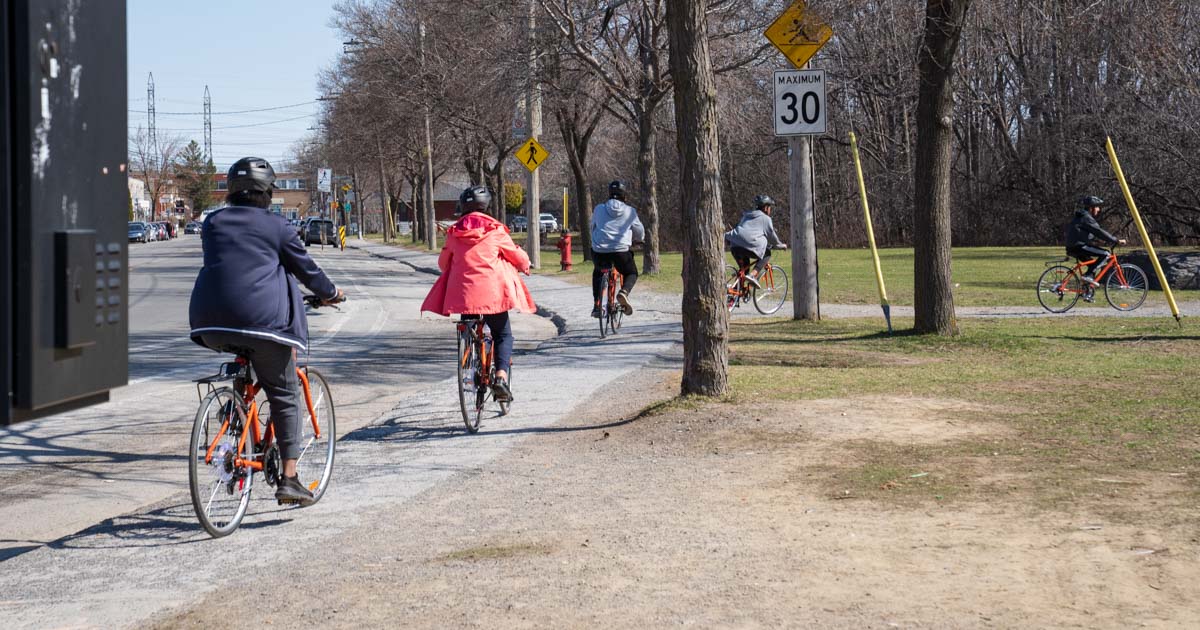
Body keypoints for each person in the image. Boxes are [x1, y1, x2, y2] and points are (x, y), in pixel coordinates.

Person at [189, 157, 344, 507]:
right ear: (267, 192)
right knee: (285, 393)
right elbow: (306, 270)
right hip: (262, 323)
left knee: (246, 357)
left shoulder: (212, 223)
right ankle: (290, 479)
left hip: (210, 322)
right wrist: (331, 292)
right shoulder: (278, 227)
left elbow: (238, 265)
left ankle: (237, 416)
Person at [421, 186, 535, 402]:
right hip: (492, 296)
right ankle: (500, 377)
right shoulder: (495, 231)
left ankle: (470, 363)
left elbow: (443, 264)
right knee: (503, 334)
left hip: (464, 297)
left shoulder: (454, 233)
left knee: (471, 326)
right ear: (486, 205)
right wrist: (526, 264)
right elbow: (516, 256)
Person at [591, 180, 645, 318]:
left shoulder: (599, 209)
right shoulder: (630, 211)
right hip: (621, 252)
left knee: (598, 272)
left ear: (609, 194)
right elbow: (639, 231)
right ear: (624, 195)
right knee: (631, 273)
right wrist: (639, 239)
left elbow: (592, 226)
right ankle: (624, 292)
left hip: (600, 251)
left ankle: (597, 305)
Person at [725, 194, 787, 289]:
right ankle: (753, 275)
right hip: (749, 246)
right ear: (766, 208)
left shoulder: (746, 216)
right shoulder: (766, 219)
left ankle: (735, 292)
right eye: (769, 207)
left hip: (735, 246)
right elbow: (771, 236)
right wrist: (780, 245)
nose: (770, 209)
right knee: (767, 253)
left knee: (744, 270)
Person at [1065, 195, 1126, 288]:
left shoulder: (1080, 217)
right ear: (1091, 208)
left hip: (1072, 247)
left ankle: (1087, 291)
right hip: (1080, 246)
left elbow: (1088, 234)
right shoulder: (1086, 217)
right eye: (1097, 207)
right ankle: (1087, 276)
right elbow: (1099, 232)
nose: (1098, 210)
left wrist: (1100, 241)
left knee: (1093, 265)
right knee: (1106, 254)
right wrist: (1116, 240)